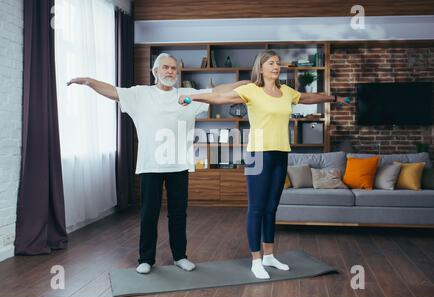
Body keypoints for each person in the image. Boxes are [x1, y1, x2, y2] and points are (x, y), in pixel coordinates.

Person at [68, 53, 248, 274]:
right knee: (148, 213)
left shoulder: (188, 95)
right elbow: (113, 91)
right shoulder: (140, 94)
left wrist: (247, 82)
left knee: (178, 214)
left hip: (179, 165)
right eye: (165, 68)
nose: (170, 71)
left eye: (173, 68)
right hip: (151, 165)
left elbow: (219, 91)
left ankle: (180, 256)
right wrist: (89, 81)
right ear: (155, 71)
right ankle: (146, 259)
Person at [179, 50, 350, 279]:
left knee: (271, 208)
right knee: (256, 208)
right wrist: (192, 98)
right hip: (258, 155)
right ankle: (256, 260)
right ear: (260, 67)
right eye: (271, 63)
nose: (276, 66)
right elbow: (220, 98)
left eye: (278, 63)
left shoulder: (286, 91)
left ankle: (269, 255)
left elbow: (307, 98)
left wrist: (333, 98)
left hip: (281, 154)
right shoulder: (252, 90)